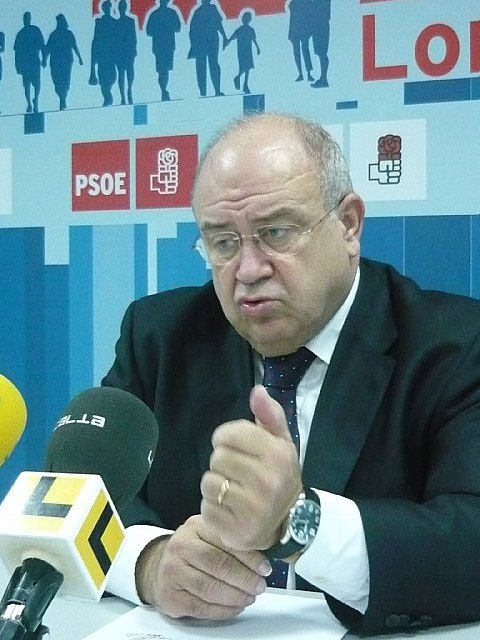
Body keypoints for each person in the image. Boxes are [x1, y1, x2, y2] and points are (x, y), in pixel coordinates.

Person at [103, 112, 480, 635]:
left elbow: (470, 536)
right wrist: (148, 561)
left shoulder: (457, 345)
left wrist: (298, 523)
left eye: (275, 233)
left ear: (348, 225)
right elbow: (82, 493)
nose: (248, 270)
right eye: (223, 242)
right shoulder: (159, 336)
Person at [187, 0, 228, 97]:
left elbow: (218, 24)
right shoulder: (197, 12)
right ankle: (203, 92)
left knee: (213, 64)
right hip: (201, 42)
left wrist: (224, 37)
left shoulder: (213, 9)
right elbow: (192, 30)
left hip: (212, 39)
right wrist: (194, 45)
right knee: (201, 66)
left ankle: (217, 90)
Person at [43, 14, 83, 111]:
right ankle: (62, 98)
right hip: (56, 61)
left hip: (66, 60)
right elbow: (48, 48)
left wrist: (79, 58)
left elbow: (74, 46)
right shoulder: (54, 35)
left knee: (65, 80)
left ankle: (63, 99)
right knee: (57, 80)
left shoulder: (68, 33)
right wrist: (44, 60)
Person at [146, 0, 181, 102]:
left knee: (165, 70)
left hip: (168, 45)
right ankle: (163, 91)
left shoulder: (171, 12)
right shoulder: (155, 14)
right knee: (162, 70)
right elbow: (148, 31)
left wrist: (167, 27)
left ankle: (164, 90)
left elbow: (178, 27)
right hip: (160, 46)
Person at [13, 12, 45, 113]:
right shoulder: (21, 33)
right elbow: (17, 52)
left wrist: (44, 59)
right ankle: (29, 104)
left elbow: (42, 46)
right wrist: (17, 65)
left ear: (29, 19)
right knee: (26, 84)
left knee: (37, 84)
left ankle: (36, 99)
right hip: (25, 62)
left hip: (35, 60)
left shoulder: (35, 30)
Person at [225, 11, 260, 95]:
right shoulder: (240, 29)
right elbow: (232, 37)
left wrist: (257, 48)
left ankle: (245, 84)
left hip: (248, 51)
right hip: (242, 51)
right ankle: (238, 78)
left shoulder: (251, 30)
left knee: (248, 68)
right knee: (244, 67)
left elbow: (253, 39)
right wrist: (227, 42)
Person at [90, 0, 117, 107]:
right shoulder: (99, 22)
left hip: (111, 54)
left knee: (110, 76)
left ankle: (108, 97)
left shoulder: (114, 22)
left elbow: (116, 39)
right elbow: (96, 39)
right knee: (102, 78)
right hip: (102, 54)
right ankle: (107, 98)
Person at [115, 0, 137, 105]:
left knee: (130, 72)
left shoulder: (130, 21)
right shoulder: (116, 23)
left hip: (129, 51)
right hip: (119, 52)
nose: (121, 9)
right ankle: (123, 96)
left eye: (123, 7)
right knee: (121, 74)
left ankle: (129, 90)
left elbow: (134, 37)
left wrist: (134, 48)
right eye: (120, 7)